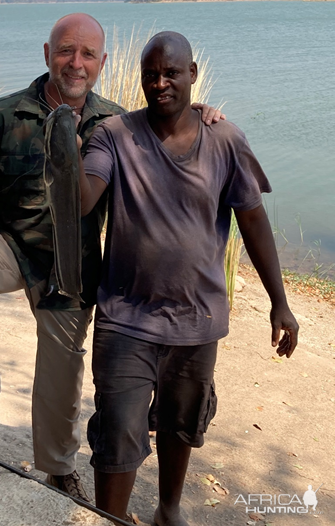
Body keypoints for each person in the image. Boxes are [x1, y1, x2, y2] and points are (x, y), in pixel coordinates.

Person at [0, 14, 223, 501]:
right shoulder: (0, 115)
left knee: (62, 375)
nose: (76, 63)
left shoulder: (119, 125)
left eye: (88, 55)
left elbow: (171, 127)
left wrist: (199, 112)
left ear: (101, 63)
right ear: (47, 53)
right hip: (8, 246)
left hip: (72, 267)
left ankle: (57, 468)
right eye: (66, 51)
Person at [78, 31, 299, 524]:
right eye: (150, 75)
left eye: (171, 73)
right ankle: (110, 519)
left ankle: (169, 510)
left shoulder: (224, 138)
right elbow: (83, 196)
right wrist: (63, 154)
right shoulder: (114, 135)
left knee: (182, 424)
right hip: (125, 317)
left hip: (196, 319)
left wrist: (279, 302)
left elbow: (254, 219)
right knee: (118, 431)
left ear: (193, 75)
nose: (160, 84)